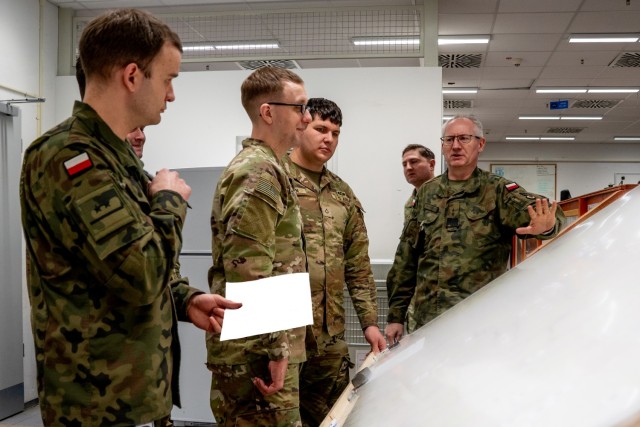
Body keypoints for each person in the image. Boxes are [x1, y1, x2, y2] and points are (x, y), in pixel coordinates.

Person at [20, 9, 241, 426]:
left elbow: (130, 261)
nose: (171, 95)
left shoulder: (116, 158)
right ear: (133, 76)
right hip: (96, 404)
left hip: (135, 395)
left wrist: (186, 298)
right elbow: (139, 274)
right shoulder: (71, 157)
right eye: (169, 78)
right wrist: (170, 201)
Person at [385, 114, 566, 344]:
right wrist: (395, 316)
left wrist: (547, 226)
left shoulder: (498, 191)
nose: (456, 146)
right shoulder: (426, 193)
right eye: (449, 140)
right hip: (427, 322)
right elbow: (406, 258)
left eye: (464, 138)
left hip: (478, 324)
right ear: (442, 147)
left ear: (480, 144)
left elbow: (550, 215)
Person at [206, 66, 311, 426]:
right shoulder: (259, 172)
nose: (307, 118)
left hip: (260, 345)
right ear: (268, 112)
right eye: (299, 107)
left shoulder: (272, 166)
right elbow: (250, 271)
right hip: (256, 353)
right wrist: (277, 349)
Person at [284, 98, 386, 426]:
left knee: (332, 419)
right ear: (300, 127)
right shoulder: (274, 181)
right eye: (321, 129)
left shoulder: (342, 194)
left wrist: (370, 323)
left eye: (336, 133)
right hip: (282, 336)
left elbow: (358, 265)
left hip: (328, 342)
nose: (329, 138)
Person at [400, 144, 436, 333]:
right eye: (404, 164)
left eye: (414, 162)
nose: (408, 168)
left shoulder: (447, 197)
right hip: (417, 298)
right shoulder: (411, 204)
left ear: (431, 164)